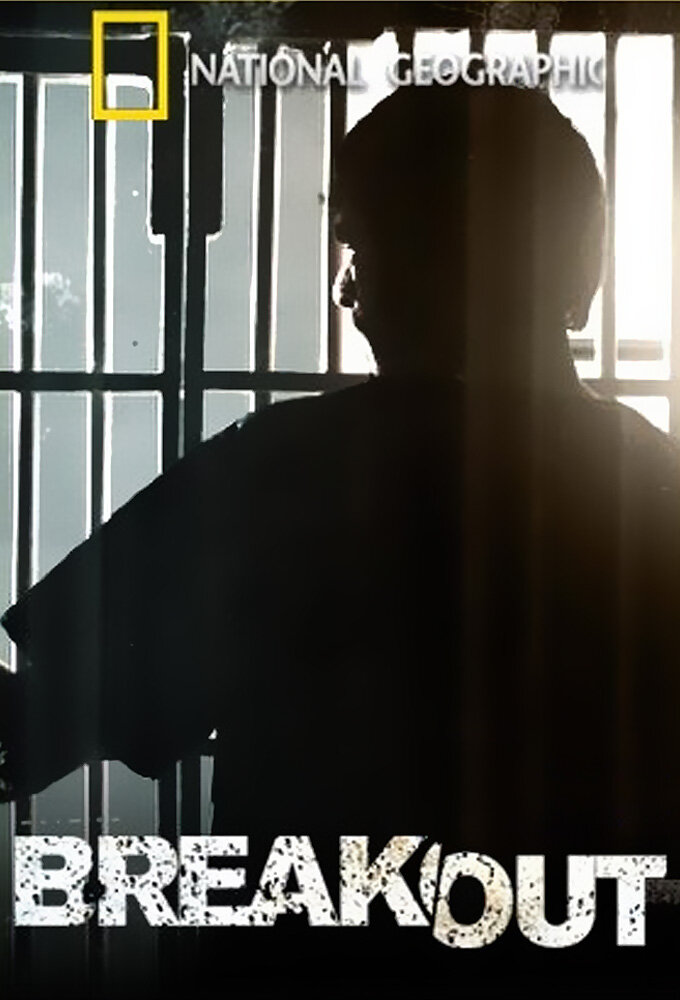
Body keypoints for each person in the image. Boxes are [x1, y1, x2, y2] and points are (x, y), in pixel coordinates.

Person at [2, 82, 680, 996]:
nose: (347, 291)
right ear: (580, 272)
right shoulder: (658, 490)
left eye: (361, 245)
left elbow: (47, 723)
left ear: (425, 261)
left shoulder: (281, 470)